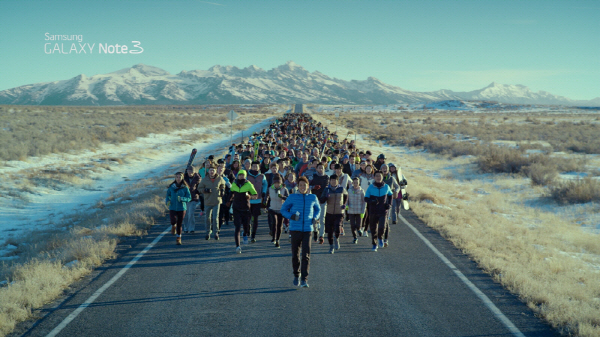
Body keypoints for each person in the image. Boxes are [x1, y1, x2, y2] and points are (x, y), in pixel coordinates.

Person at [281, 176, 321, 288]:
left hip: (308, 229)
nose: (303, 187)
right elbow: (283, 210)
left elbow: (318, 209)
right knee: (295, 254)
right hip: (295, 229)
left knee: (306, 255)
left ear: (308, 186)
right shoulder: (292, 197)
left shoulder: (313, 197)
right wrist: (292, 217)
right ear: (297, 186)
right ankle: (296, 274)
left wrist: (315, 217)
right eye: (301, 185)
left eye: (305, 185)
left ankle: (304, 279)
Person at [227, 170, 258, 253]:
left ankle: (245, 234)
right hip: (236, 209)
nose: (241, 176)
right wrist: (228, 201)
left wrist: (249, 196)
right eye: (240, 175)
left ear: (245, 176)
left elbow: (255, 195)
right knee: (237, 227)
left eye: (242, 175)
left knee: (246, 226)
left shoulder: (249, 184)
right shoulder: (234, 184)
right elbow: (231, 193)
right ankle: (237, 246)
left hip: (246, 209)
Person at [364, 171, 393, 251]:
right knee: (373, 229)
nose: (378, 177)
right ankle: (374, 244)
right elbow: (366, 198)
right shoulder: (370, 187)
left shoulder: (386, 187)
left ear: (382, 177)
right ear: (374, 177)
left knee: (382, 227)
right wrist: (372, 201)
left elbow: (390, 195)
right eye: (376, 176)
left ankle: (380, 238)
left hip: (383, 211)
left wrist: (389, 204)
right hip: (373, 211)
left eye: (380, 176)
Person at [319, 174, 348, 254]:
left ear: (337, 181)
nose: (333, 182)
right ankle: (331, 246)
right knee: (330, 231)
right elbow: (321, 200)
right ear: (330, 181)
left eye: (335, 180)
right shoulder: (326, 190)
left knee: (338, 227)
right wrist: (326, 197)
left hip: (339, 212)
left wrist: (344, 204)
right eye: (332, 180)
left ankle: (336, 238)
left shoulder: (341, 189)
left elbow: (346, 196)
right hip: (329, 213)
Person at [198, 165, 226, 240]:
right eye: (210, 170)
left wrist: (222, 189)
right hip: (207, 201)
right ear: (208, 171)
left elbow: (223, 184)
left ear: (215, 171)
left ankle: (216, 233)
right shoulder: (204, 179)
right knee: (207, 218)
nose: (212, 172)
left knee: (215, 217)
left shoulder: (219, 178)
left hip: (217, 200)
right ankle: (207, 232)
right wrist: (205, 190)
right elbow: (199, 188)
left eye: (213, 170)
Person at [165, 172, 192, 245]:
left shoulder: (185, 187)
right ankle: (173, 226)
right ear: (175, 178)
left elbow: (189, 198)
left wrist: (182, 199)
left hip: (182, 208)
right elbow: (168, 195)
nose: (178, 178)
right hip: (172, 207)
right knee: (173, 220)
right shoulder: (171, 187)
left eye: (180, 177)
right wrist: (167, 201)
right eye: (177, 177)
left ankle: (178, 238)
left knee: (179, 223)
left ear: (182, 178)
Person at [247, 161, 268, 242]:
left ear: (259, 167)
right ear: (251, 167)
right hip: (248, 200)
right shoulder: (247, 176)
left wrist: (263, 192)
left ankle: (253, 235)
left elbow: (265, 184)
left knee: (255, 218)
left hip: (258, 200)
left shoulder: (262, 176)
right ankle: (248, 228)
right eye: (254, 166)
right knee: (248, 217)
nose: (255, 167)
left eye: (257, 166)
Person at [310, 163, 330, 244]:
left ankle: (321, 236)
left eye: (322, 168)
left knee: (322, 219)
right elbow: (307, 186)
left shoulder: (326, 177)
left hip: (323, 200)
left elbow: (327, 187)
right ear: (316, 169)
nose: (321, 169)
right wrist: (313, 187)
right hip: (314, 200)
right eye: (319, 168)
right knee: (314, 219)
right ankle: (315, 232)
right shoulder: (313, 176)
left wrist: (327, 195)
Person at [267, 174, 289, 247]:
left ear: (281, 183)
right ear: (273, 183)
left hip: (281, 209)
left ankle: (277, 240)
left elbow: (288, 199)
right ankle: (274, 237)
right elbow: (267, 197)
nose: (277, 185)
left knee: (279, 225)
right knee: (274, 223)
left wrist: (282, 197)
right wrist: (265, 203)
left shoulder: (284, 189)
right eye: (276, 183)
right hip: (272, 209)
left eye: (279, 183)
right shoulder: (270, 188)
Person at [347, 177, 366, 244]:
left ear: (359, 183)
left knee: (358, 225)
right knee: (352, 225)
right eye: (354, 183)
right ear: (352, 183)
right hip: (351, 210)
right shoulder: (349, 190)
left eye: (357, 183)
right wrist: (346, 207)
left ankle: (359, 230)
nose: (355, 184)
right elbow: (347, 200)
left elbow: (364, 202)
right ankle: (355, 237)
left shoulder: (361, 191)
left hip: (359, 210)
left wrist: (363, 212)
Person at [183, 165, 201, 234]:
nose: (190, 173)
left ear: (194, 172)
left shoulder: (197, 178)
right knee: (185, 214)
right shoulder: (184, 178)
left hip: (193, 198)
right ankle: (186, 227)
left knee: (191, 213)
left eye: (191, 171)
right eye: (189, 171)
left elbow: (200, 187)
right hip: (185, 198)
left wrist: (197, 192)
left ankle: (191, 228)